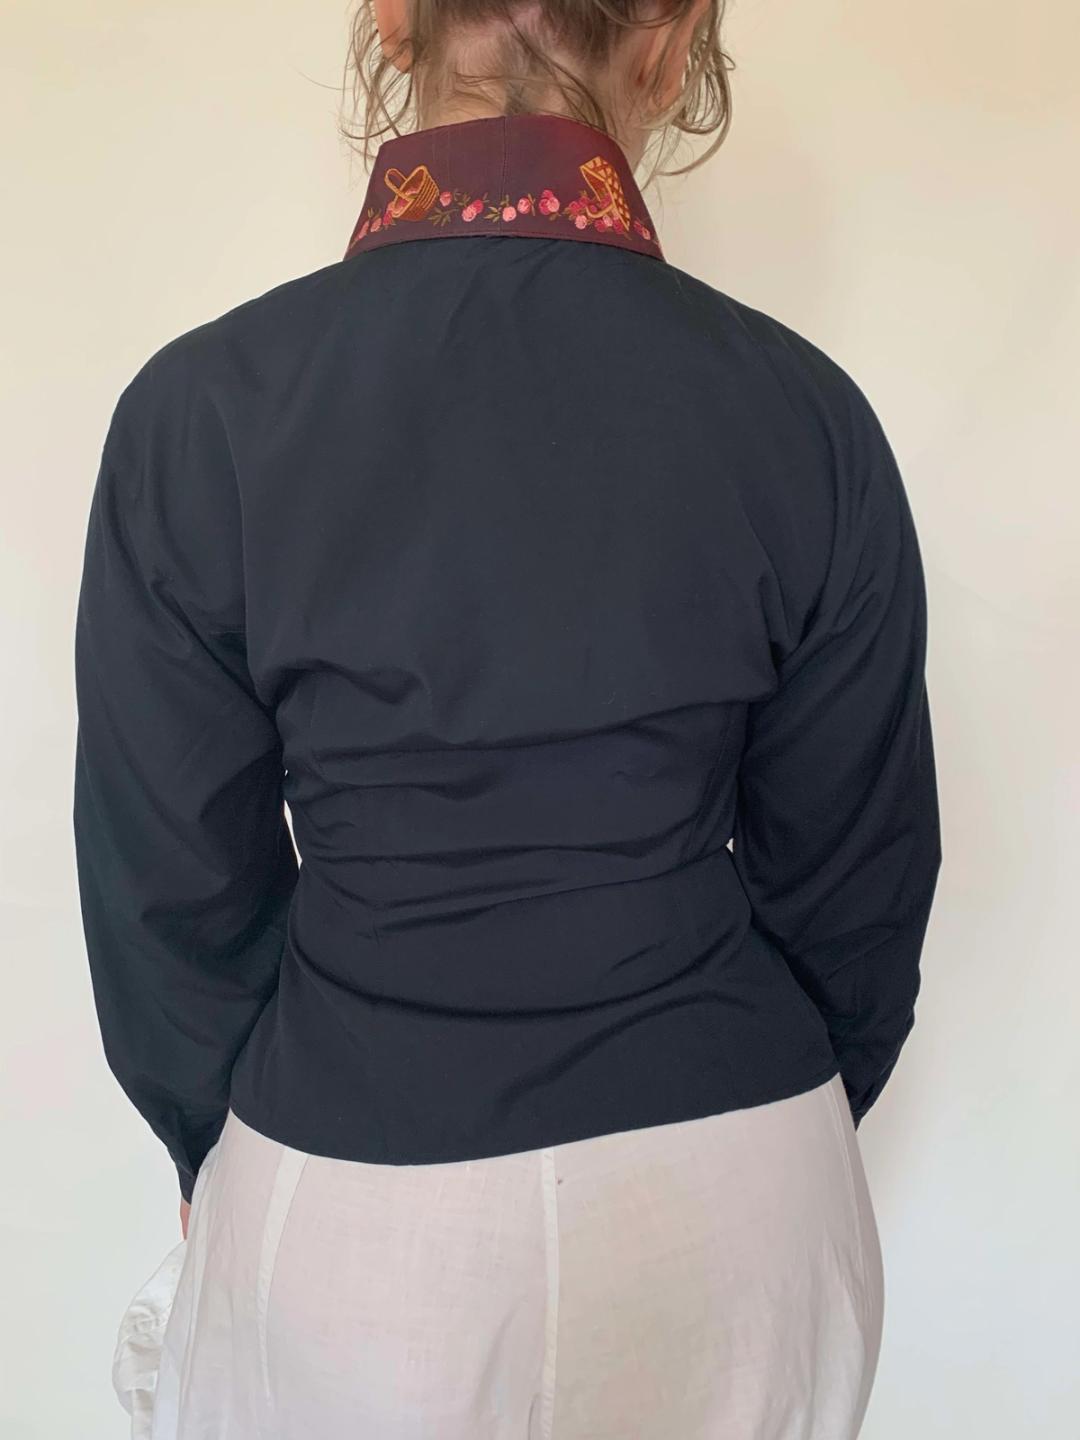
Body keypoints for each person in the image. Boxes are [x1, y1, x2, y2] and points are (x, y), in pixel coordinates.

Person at [72, 0, 942, 1436]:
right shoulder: (806, 415)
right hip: (740, 1190)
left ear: (390, 18)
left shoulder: (200, 415)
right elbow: (857, 884)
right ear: (670, 40)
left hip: (353, 1207)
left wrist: (226, 1142)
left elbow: (168, 894)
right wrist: (751, 1125)